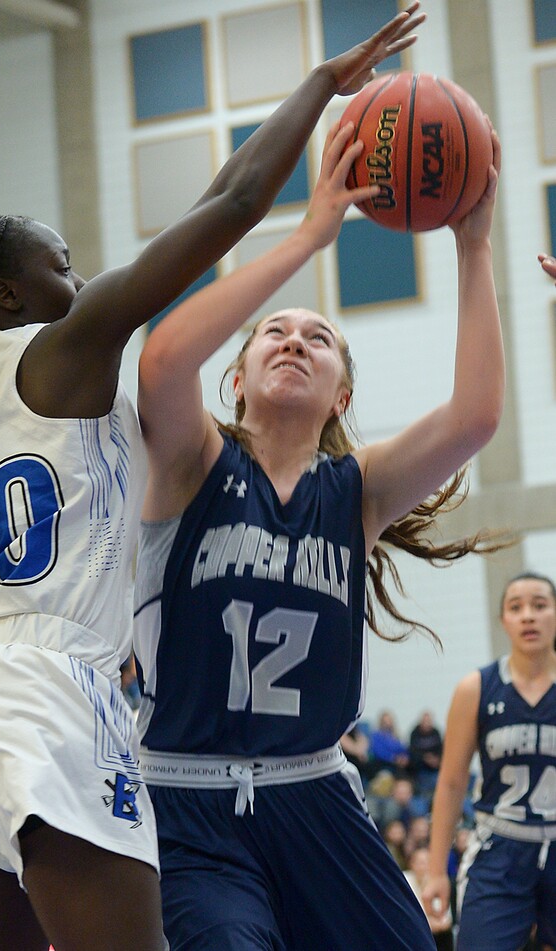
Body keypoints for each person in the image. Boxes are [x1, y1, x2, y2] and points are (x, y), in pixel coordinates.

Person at [0, 9, 425, 949]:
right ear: (9, 295)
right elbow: (235, 199)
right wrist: (322, 84)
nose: (80, 284)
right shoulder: (67, 347)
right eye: (62, 266)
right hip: (48, 687)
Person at [133, 68, 502, 943]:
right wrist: (311, 233)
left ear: (340, 395)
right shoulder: (190, 462)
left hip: (315, 793)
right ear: (238, 376)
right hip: (189, 800)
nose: (296, 338)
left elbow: (477, 416)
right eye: (276, 332)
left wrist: (473, 244)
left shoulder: (357, 491)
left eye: (320, 338)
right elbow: (159, 360)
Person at [423, 572, 556, 951]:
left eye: (540, 605)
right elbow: (451, 783)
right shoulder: (476, 688)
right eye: (516, 608)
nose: (528, 616)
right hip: (500, 848)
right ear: (504, 621)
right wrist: (435, 872)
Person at [409, 709, 443, 795]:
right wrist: (426, 758)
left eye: (429, 721)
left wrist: (436, 760)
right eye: (425, 721)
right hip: (420, 769)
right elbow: (413, 752)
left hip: (435, 769)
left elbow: (441, 749)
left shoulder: (436, 732)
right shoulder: (414, 733)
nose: (427, 723)